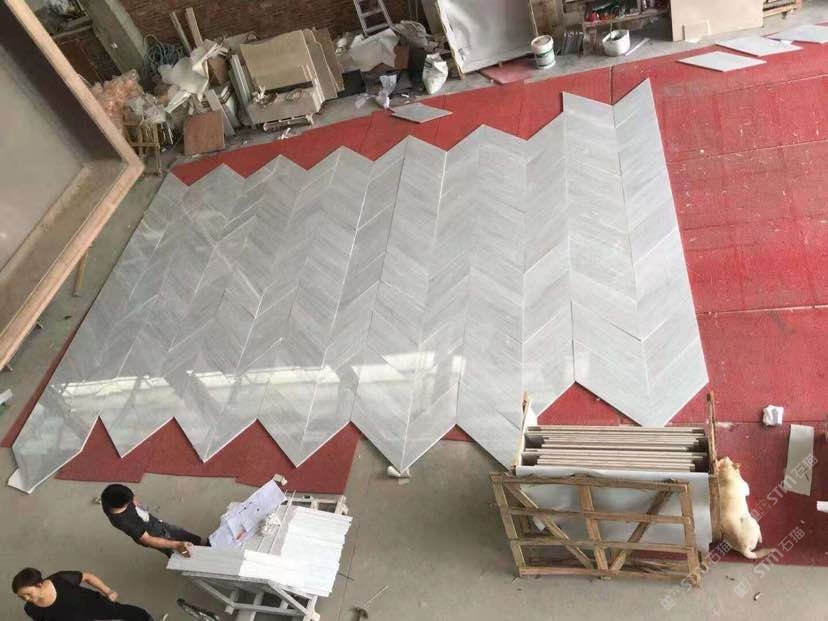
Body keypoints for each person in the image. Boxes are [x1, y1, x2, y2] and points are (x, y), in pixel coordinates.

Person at [100, 483, 206, 558]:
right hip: (153, 534)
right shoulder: (124, 522)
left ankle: (202, 542)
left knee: (178, 532)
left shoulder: (110, 495)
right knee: (179, 551)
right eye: (130, 501)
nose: (133, 500)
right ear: (124, 505)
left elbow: (133, 499)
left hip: (153, 522)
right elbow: (147, 539)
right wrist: (177, 545)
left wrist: (141, 508)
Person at [12, 567, 154, 621]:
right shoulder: (31, 609)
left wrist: (108, 591)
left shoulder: (60, 579)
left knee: (120, 611)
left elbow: (87, 577)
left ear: (39, 584)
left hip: (94, 605)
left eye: (28, 594)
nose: (26, 599)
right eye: (21, 597)